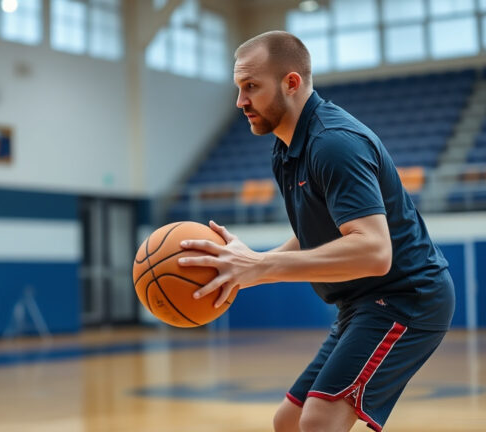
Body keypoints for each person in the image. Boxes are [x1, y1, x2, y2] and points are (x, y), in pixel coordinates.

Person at [179, 31, 454, 432]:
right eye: (239, 88)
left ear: (291, 83)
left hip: (405, 299)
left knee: (319, 421)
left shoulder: (333, 143)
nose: (240, 102)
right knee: (288, 422)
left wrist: (262, 266)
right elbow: (315, 237)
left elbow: (375, 252)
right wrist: (249, 265)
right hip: (358, 306)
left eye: (251, 87)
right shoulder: (286, 147)